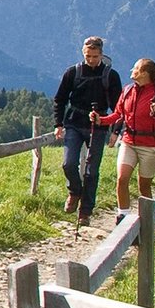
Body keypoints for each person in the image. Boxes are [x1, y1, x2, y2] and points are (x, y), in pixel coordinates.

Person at [93, 58, 155, 221]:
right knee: (122, 179)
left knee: (144, 186)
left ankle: (147, 221)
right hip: (129, 142)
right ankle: (122, 217)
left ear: (144, 73)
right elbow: (118, 114)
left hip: (150, 146)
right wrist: (100, 120)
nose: (132, 70)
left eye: (136, 68)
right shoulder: (127, 91)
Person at [53, 36, 122, 226]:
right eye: (87, 56)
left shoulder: (111, 76)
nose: (90, 59)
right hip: (74, 122)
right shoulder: (72, 73)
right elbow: (60, 99)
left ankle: (85, 212)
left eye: (94, 56)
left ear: (101, 54)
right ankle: (75, 191)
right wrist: (58, 124)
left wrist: (116, 131)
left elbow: (119, 106)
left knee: (92, 170)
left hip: (99, 124)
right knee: (68, 163)